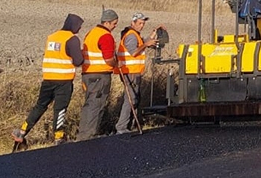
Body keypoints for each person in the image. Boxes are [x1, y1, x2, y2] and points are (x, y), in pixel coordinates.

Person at [12, 13, 84, 146]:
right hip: (63, 80)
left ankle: (22, 132)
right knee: (60, 109)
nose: (79, 29)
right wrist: (82, 53)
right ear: (74, 25)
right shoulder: (72, 39)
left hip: (48, 78)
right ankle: (58, 138)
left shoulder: (52, 37)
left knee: (40, 106)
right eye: (79, 26)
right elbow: (78, 61)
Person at [114, 12, 162, 135]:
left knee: (134, 98)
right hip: (130, 71)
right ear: (133, 23)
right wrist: (146, 44)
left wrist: (152, 34)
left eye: (143, 23)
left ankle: (128, 125)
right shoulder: (131, 36)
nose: (142, 26)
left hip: (133, 71)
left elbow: (141, 43)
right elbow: (134, 52)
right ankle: (121, 127)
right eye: (140, 23)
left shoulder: (135, 35)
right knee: (130, 99)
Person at [77, 9, 118, 140]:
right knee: (96, 104)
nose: (115, 26)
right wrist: (117, 64)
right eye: (114, 23)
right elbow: (108, 59)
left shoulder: (91, 33)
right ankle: (88, 135)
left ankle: (84, 133)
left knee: (89, 104)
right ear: (106, 23)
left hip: (87, 74)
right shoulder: (105, 36)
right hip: (100, 75)